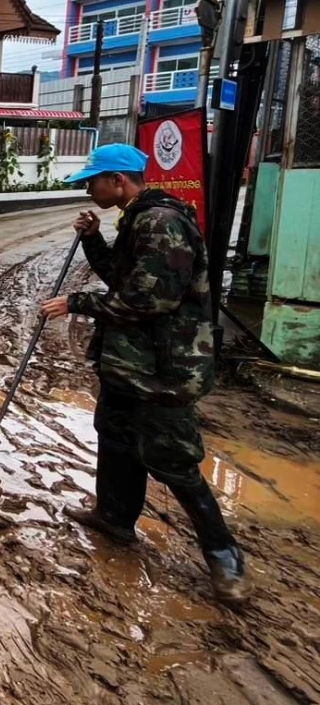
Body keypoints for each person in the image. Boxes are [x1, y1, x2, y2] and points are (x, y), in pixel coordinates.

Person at [38, 143, 247, 603]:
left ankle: (225, 557)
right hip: (128, 362)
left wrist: (76, 302)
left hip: (163, 368)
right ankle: (114, 518)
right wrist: (94, 239)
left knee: (173, 458)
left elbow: (149, 300)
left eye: (92, 182)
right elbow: (122, 278)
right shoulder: (136, 218)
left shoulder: (162, 222)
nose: (88, 190)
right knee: (115, 437)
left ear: (118, 180)